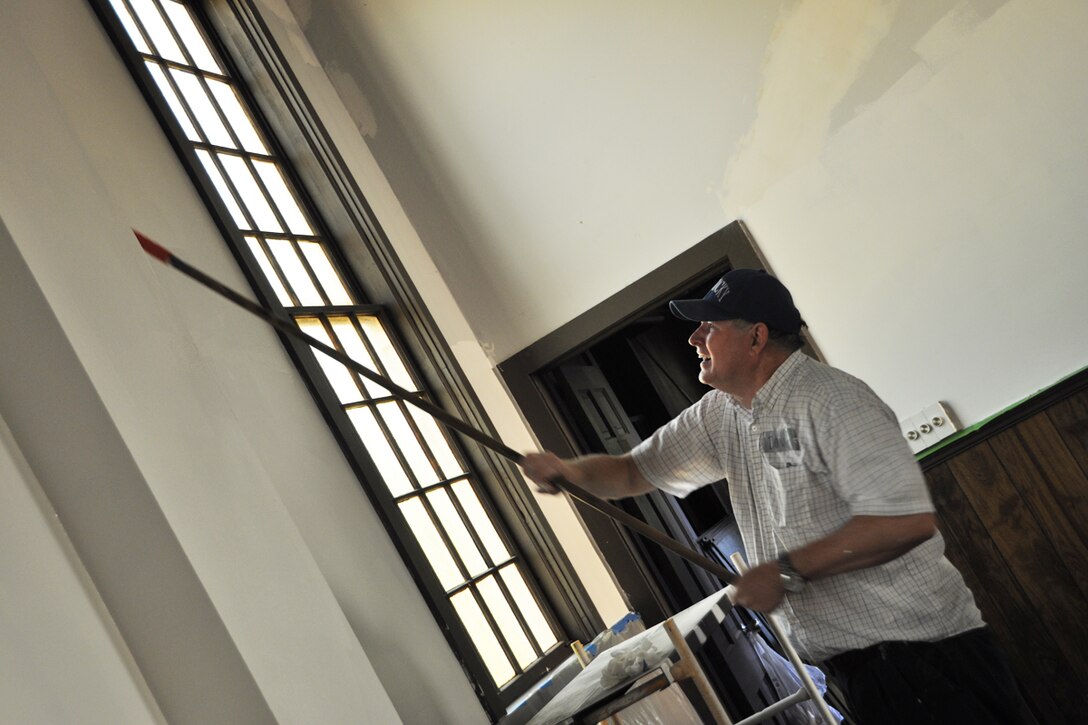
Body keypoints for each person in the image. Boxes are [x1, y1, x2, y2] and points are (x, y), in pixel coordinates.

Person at [520, 268, 1032, 724]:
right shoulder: (720, 413)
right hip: (860, 672)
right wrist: (568, 471)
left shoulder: (833, 399)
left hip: (928, 663)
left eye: (709, 326)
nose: (694, 338)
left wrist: (784, 571)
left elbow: (905, 522)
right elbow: (633, 472)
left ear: (756, 337)